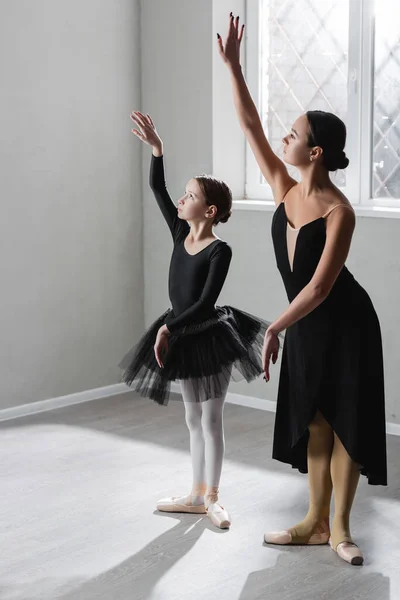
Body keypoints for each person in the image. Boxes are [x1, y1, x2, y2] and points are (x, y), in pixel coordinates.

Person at [217, 14, 387, 564]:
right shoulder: (283, 188)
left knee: (345, 423)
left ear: (315, 152)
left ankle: (340, 529)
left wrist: (274, 327)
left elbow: (318, 288)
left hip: (345, 322)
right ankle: (313, 521)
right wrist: (235, 69)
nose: (283, 137)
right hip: (305, 321)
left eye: (293, 134)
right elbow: (248, 127)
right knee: (314, 420)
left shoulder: (341, 211)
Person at [120, 111, 272, 529]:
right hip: (182, 333)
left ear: (209, 210)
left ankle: (214, 498)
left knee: (211, 417)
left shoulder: (219, 251)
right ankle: (194, 494)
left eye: (189, 197)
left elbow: (205, 302)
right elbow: (157, 186)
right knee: (191, 418)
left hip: (209, 334)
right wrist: (157, 149)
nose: (181, 201)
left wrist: (169, 326)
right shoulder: (177, 230)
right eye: (183, 195)